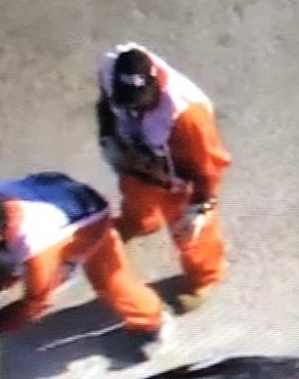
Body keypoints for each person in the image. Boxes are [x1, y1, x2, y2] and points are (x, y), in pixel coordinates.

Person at [0, 171, 165, 351]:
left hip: (91, 224)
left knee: (112, 282)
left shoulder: (39, 248)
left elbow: (37, 303)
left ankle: (150, 323)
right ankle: (11, 270)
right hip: (57, 190)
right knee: (7, 261)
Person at [96, 45, 231, 313]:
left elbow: (209, 166)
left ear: (156, 84)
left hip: (178, 179)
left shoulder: (189, 116)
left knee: (192, 235)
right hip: (138, 161)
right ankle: (140, 223)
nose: (135, 108)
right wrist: (107, 135)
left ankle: (205, 279)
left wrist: (201, 205)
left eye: (141, 102)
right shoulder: (109, 69)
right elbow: (104, 104)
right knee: (134, 197)